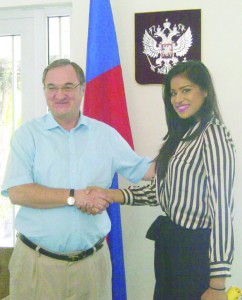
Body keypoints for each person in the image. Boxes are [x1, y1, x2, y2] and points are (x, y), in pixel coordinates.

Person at [0, 59, 154, 300]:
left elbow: (146, 170)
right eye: (52, 87)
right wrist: (73, 196)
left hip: (92, 268)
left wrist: (188, 151)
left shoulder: (105, 135)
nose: (59, 94)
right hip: (36, 266)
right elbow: (18, 192)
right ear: (45, 91)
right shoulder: (27, 135)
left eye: (68, 86)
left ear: (83, 89)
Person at [86, 60, 236, 300]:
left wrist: (218, 283)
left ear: (204, 91)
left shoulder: (213, 133)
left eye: (186, 90)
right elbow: (158, 192)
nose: (178, 99)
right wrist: (109, 195)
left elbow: (222, 209)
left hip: (195, 251)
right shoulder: (182, 135)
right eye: (173, 93)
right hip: (170, 244)